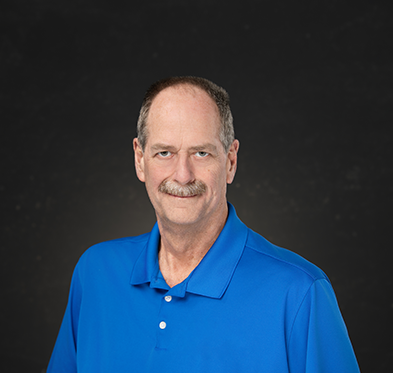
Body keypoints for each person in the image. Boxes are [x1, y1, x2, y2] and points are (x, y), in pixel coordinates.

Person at [47, 76, 360, 372]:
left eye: (201, 153)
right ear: (140, 159)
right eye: (164, 152)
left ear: (230, 161)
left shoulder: (300, 292)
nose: (183, 175)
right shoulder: (95, 273)